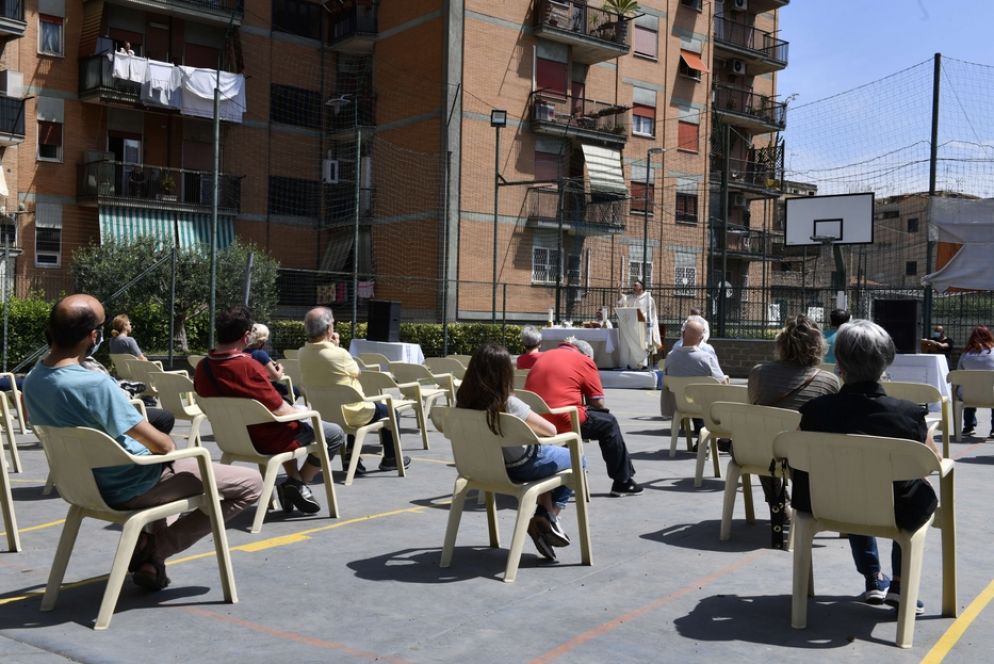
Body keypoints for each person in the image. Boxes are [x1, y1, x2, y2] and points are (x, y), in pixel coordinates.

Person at [24, 294, 262, 592]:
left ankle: (151, 563)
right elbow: (162, 446)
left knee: (169, 491)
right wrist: (170, 444)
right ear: (93, 335)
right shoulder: (93, 384)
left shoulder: (33, 379)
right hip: (133, 484)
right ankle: (155, 550)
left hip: (81, 487)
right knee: (251, 484)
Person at [795, 320, 939, 614]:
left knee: (854, 486)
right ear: (885, 361)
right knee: (901, 489)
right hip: (896, 509)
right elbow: (931, 462)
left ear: (841, 363)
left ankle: (873, 578)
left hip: (827, 503)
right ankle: (899, 585)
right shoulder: (908, 414)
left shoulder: (814, 411)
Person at [194, 305, 346, 515]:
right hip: (266, 440)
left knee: (293, 422)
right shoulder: (248, 367)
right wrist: (304, 412)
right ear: (246, 337)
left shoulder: (203, 367)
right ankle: (298, 483)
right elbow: (282, 412)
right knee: (334, 434)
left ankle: (295, 483)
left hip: (230, 439)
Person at [457, 342, 578, 560]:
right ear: (505, 373)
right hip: (520, 467)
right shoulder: (508, 403)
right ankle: (547, 516)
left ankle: (545, 516)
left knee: (548, 465)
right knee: (577, 459)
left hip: (480, 469)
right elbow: (550, 430)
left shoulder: (462, 402)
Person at [747, 314, 840, 548]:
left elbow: (754, 409)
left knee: (767, 439)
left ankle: (777, 504)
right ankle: (822, 509)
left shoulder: (759, 373)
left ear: (781, 345)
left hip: (766, 455)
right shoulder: (829, 381)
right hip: (808, 458)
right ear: (818, 347)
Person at [298, 307, 410, 473]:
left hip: (323, 412)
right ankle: (391, 458)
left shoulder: (302, 353)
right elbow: (356, 372)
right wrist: (336, 347)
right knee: (390, 411)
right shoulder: (339, 354)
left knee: (349, 402)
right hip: (350, 413)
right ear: (329, 328)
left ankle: (351, 457)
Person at [524, 338, 642, 496]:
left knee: (598, 420)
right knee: (609, 423)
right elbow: (598, 403)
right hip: (562, 418)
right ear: (587, 356)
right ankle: (623, 481)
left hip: (534, 419)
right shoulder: (584, 361)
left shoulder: (545, 355)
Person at [664, 318, 727, 432]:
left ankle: (702, 429)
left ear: (683, 334)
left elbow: (666, 378)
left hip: (679, 404)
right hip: (705, 406)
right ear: (701, 338)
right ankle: (723, 439)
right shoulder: (706, 358)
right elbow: (721, 382)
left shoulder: (670, 357)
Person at [244, 323, 300, 404]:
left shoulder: (242, 352)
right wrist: (280, 368)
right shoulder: (260, 354)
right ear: (262, 341)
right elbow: (276, 376)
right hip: (263, 389)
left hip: (250, 390)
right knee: (295, 391)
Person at [957, 325, 994, 437]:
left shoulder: (965, 355)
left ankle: (968, 426)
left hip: (968, 395)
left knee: (969, 388)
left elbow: (958, 374)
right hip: (991, 394)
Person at [616, 280, 660, 369]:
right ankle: (627, 364)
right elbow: (621, 300)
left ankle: (640, 363)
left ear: (641, 287)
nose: (633, 287)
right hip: (630, 325)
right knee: (628, 344)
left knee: (640, 344)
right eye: (633, 285)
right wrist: (619, 289)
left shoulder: (648, 298)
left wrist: (643, 316)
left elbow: (651, 313)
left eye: (635, 285)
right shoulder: (630, 297)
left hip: (641, 326)